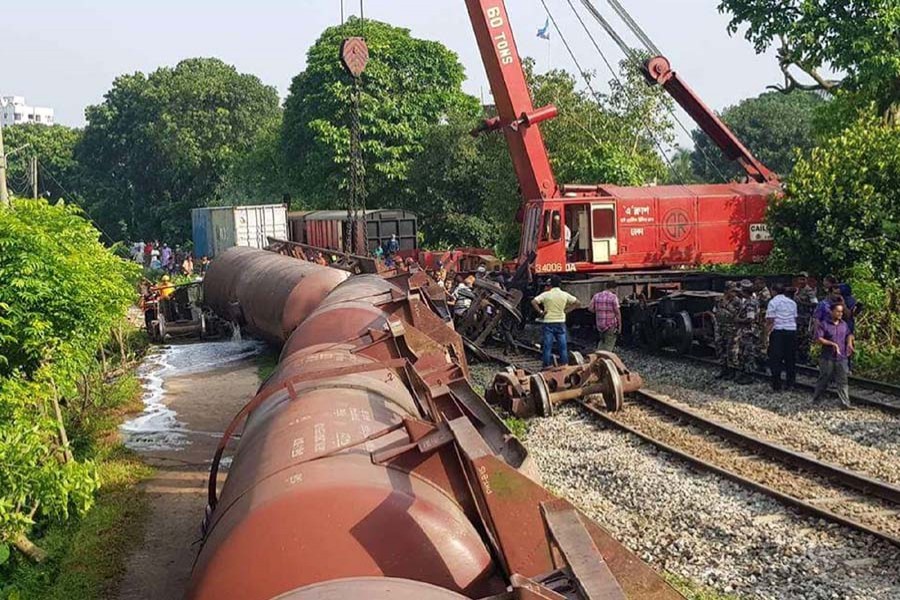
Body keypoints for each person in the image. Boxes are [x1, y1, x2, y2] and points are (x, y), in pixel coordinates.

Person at [531, 276, 580, 368]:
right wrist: (567, 310)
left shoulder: (546, 294)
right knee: (562, 345)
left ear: (551, 284)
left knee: (547, 345)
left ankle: (547, 364)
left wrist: (541, 312)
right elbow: (577, 303)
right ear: (560, 284)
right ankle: (564, 364)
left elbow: (533, 302)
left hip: (548, 321)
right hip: (560, 321)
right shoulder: (564, 294)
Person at [813, 302, 854, 408]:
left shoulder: (844, 324)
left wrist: (849, 343)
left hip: (842, 356)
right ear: (832, 311)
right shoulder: (824, 324)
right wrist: (832, 344)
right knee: (824, 378)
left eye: (841, 312)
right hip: (827, 357)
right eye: (838, 311)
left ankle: (845, 403)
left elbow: (849, 334)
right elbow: (818, 339)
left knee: (842, 380)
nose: (840, 314)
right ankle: (817, 398)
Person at [766, 283, 798, 391]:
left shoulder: (773, 302)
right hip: (791, 332)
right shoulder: (792, 303)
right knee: (790, 358)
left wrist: (766, 335)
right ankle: (790, 384)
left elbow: (770, 320)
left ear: (774, 291)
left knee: (776, 359)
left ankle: (776, 385)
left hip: (778, 331)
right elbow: (794, 318)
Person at [713, 282, 742, 379]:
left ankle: (732, 371)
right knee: (720, 348)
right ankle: (723, 369)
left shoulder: (737, 301)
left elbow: (738, 315)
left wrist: (727, 305)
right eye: (732, 291)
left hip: (732, 329)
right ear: (726, 291)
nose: (734, 293)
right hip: (720, 327)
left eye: (735, 291)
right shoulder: (719, 299)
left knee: (731, 351)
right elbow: (715, 311)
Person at [735, 280, 759, 384]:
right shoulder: (748, 301)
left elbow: (750, 319)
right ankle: (743, 373)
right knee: (743, 353)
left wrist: (738, 320)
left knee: (748, 353)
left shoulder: (750, 303)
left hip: (749, 331)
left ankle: (749, 375)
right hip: (745, 331)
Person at [588, 281, 621, 352]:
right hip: (610, 324)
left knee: (602, 342)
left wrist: (599, 311)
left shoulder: (596, 296)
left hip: (599, 324)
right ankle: (604, 359)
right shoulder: (613, 297)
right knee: (609, 344)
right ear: (614, 288)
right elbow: (617, 313)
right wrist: (620, 325)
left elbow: (590, 308)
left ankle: (598, 357)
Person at [794, 272, 818, 365]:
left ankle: (805, 358)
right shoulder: (797, 290)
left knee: (805, 339)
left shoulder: (809, 291)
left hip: (805, 319)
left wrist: (802, 303)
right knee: (797, 339)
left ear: (806, 280)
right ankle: (798, 358)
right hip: (798, 318)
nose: (801, 281)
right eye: (800, 279)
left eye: (803, 279)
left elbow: (815, 303)